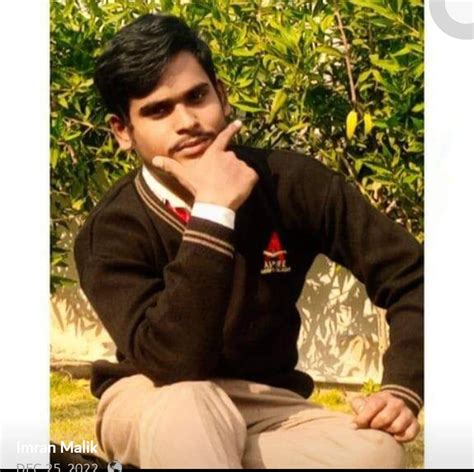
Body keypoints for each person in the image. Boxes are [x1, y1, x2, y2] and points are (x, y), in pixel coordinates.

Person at [74, 12, 423, 469]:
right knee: (188, 416)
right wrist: (214, 212)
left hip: (267, 403)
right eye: (158, 110)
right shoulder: (113, 229)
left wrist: (403, 388)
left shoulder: (289, 182)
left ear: (221, 95)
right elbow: (175, 363)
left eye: (197, 97)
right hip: (153, 393)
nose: (186, 121)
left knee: (375, 453)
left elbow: (412, 275)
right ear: (123, 131)